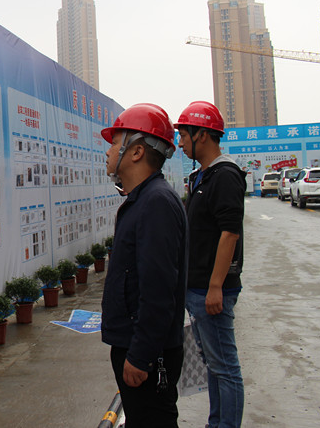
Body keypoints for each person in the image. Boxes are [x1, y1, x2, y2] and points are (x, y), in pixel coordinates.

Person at [100, 103, 188, 427]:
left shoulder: (156, 203)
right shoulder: (143, 200)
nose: (108, 151)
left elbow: (159, 290)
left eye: (115, 142)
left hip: (148, 354)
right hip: (138, 346)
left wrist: (141, 355)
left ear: (136, 152)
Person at [175, 101, 245, 428]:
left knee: (225, 368)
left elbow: (230, 233)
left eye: (184, 135)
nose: (180, 143)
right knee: (214, 366)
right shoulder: (203, 176)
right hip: (199, 288)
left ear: (202, 135)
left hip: (211, 291)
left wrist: (216, 286)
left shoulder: (225, 176)